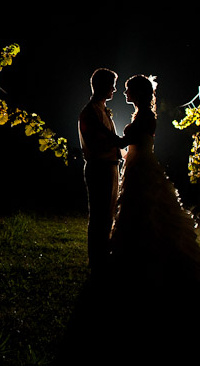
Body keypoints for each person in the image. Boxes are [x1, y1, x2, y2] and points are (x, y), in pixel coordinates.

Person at [109, 74, 200, 291]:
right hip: (137, 163)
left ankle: (149, 260)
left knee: (146, 209)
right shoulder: (142, 114)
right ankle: (136, 257)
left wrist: (105, 128)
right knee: (139, 209)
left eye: (128, 89)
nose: (125, 92)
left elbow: (122, 141)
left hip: (141, 166)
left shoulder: (145, 115)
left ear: (137, 92)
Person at [78, 68, 126, 272]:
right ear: (101, 86)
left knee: (107, 214)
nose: (114, 89)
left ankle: (102, 256)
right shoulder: (90, 112)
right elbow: (103, 140)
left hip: (109, 167)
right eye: (111, 84)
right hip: (100, 168)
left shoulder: (101, 110)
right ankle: (97, 260)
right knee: (99, 215)